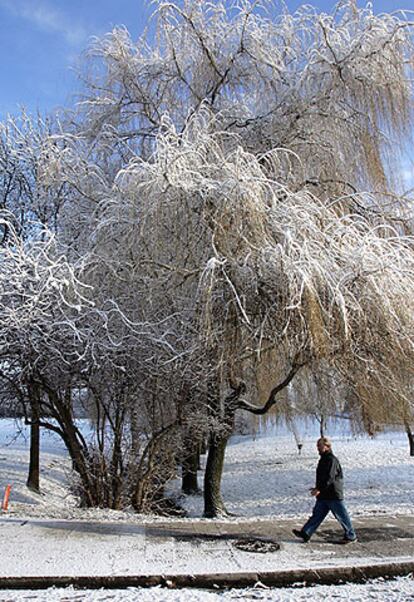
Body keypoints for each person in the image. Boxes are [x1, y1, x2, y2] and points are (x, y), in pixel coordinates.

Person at [293, 436, 357, 544]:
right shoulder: (324, 459)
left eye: (320, 445)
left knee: (342, 516)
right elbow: (322, 477)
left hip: (333, 494)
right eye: (317, 445)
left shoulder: (331, 460)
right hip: (324, 494)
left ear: (327, 447)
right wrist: (318, 488)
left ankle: (351, 535)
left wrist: (319, 489)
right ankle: (306, 533)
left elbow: (329, 477)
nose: (318, 448)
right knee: (317, 515)